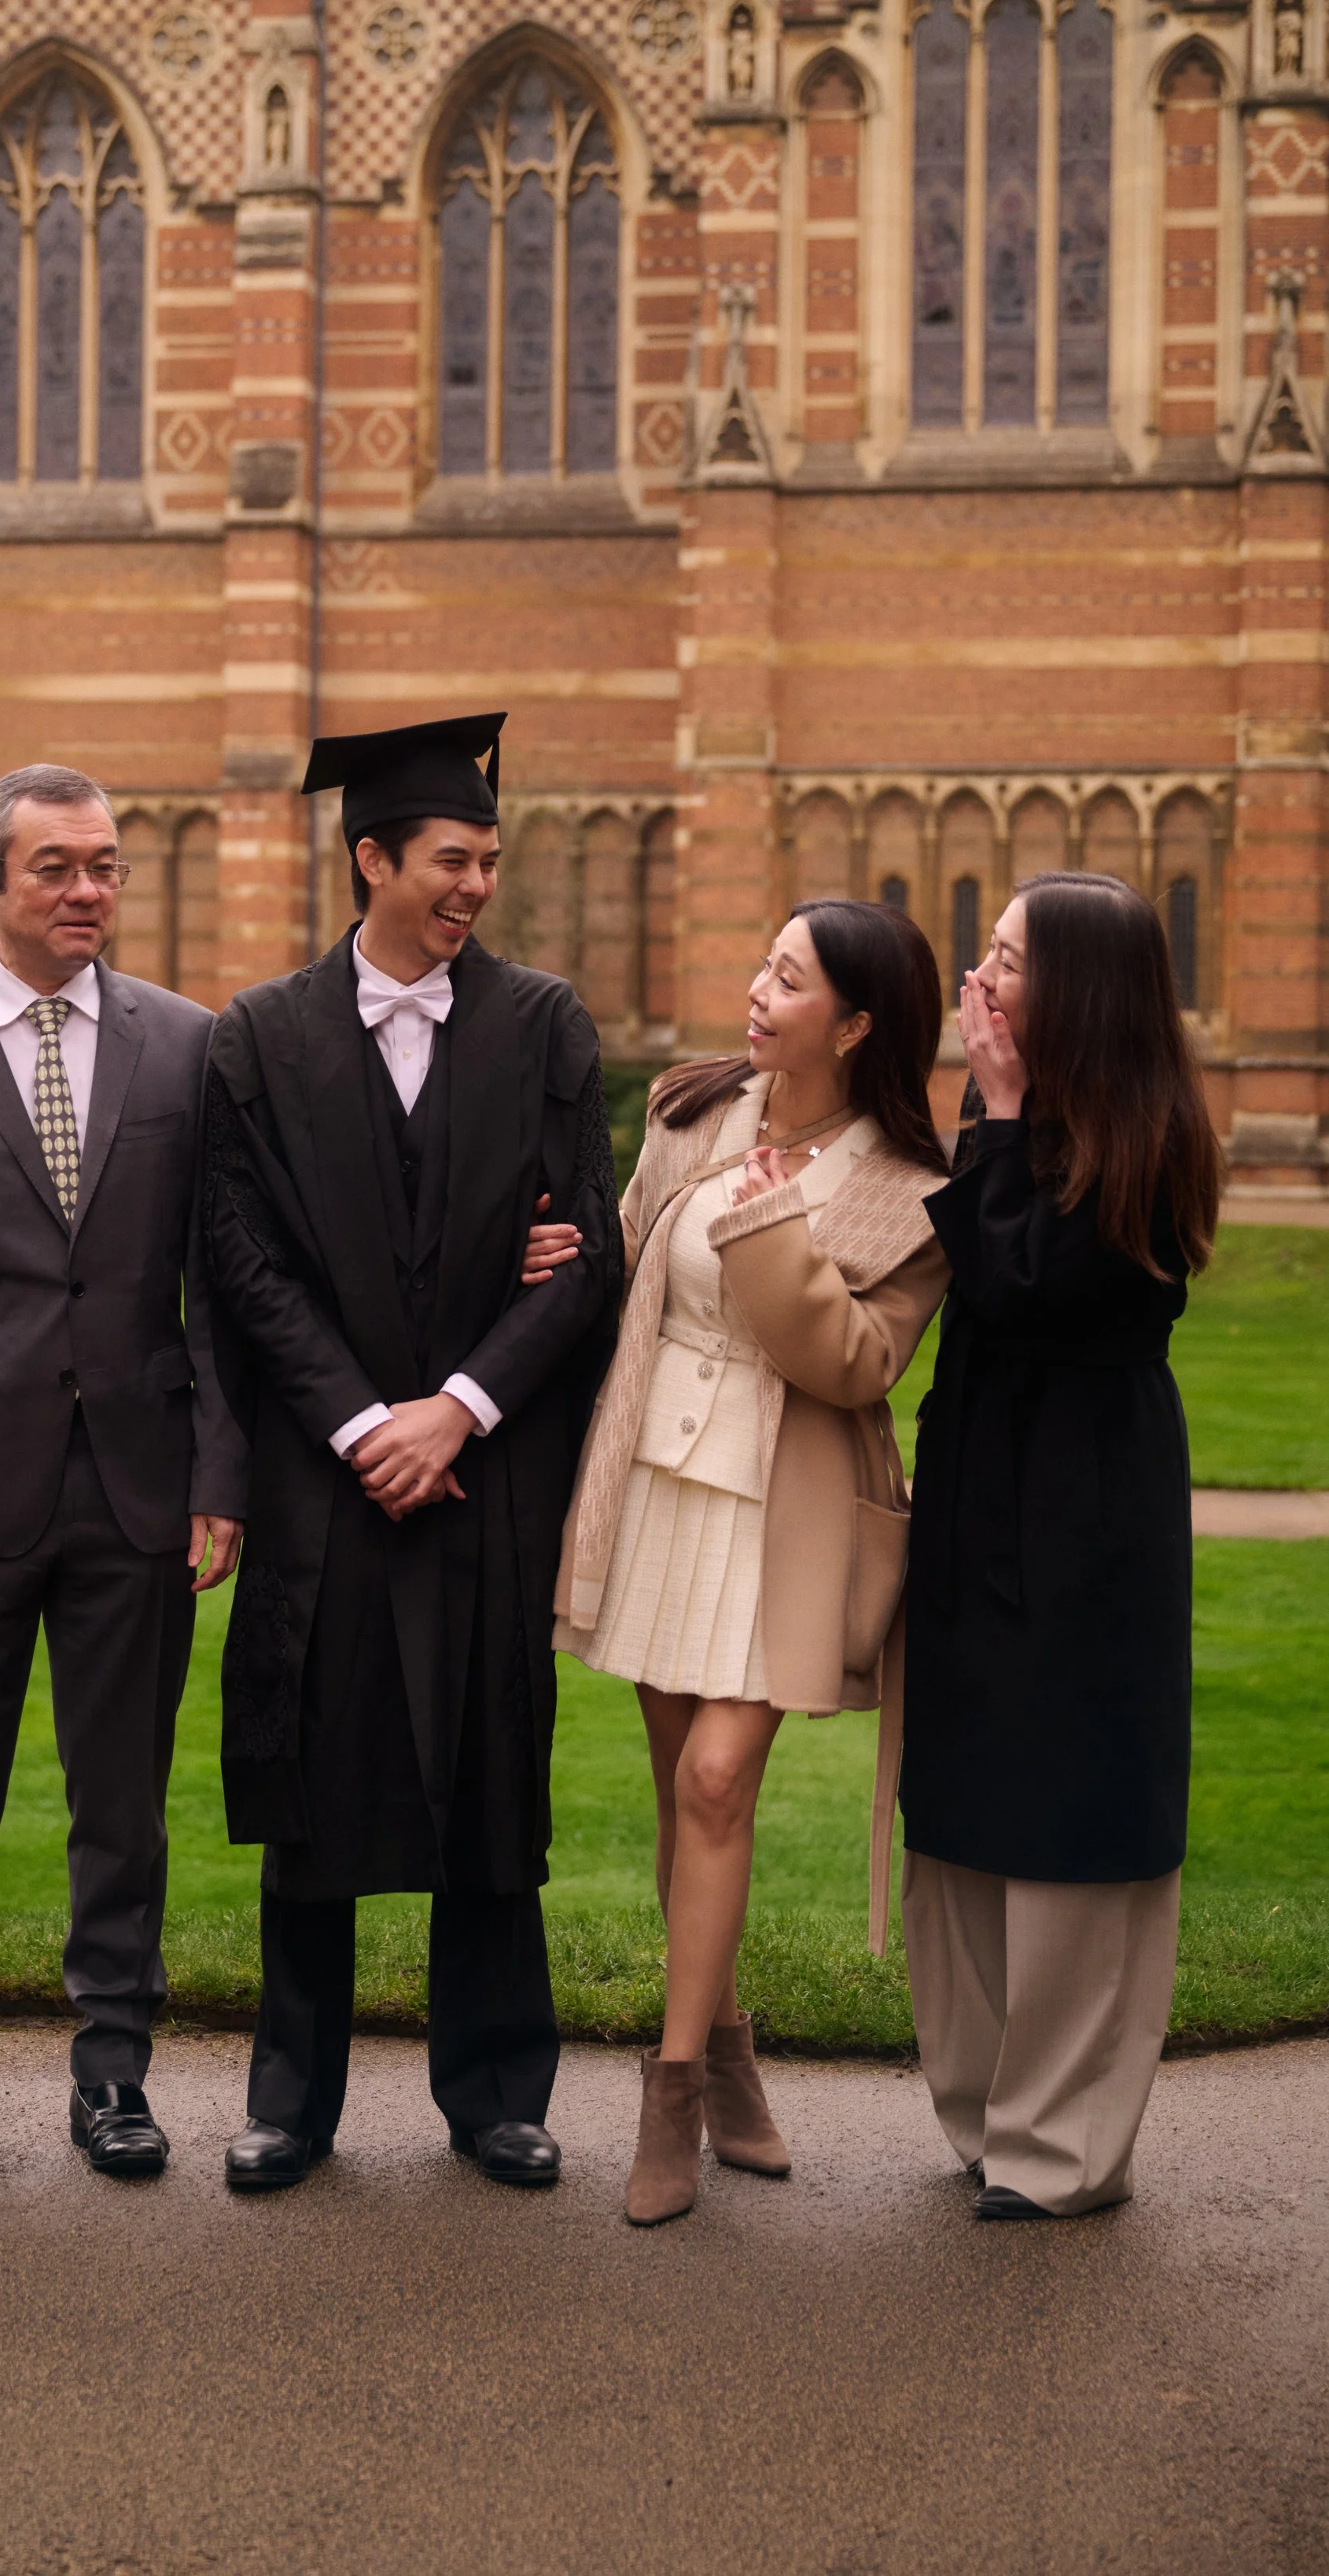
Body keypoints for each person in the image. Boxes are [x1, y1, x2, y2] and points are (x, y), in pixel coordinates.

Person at [203, 713, 623, 2192]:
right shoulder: (259, 1037)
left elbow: (591, 1259)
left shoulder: (545, 1025)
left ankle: (498, 2088)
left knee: (493, 1775)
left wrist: (458, 1405)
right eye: (453, 858)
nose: (475, 888)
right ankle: (291, 2101)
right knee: (315, 1779)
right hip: (332, 1477)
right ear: (371, 857)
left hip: (483, 1473)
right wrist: (365, 1417)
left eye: (491, 862)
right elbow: (240, 1263)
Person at [0, 765, 247, 2187]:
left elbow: (220, 1285)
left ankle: (115, 2074)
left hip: (139, 1493)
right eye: (58, 867)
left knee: (122, 1805)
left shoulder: (189, 1048)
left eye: (107, 867)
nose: (89, 891)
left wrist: (219, 1474)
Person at [552, 901, 949, 2223]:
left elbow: (855, 1363)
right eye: (764, 967)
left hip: (785, 1512)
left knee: (722, 1779)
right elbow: (623, 1272)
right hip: (660, 1484)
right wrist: (560, 1257)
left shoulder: (910, 1185)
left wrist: (774, 1230)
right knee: (682, 1794)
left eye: (790, 979)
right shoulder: (691, 1115)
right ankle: (725, 2052)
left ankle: (668, 2093)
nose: (758, 991)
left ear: (855, 1021)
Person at [900, 872, 1222, 2221]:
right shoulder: (1012, 1111)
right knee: (971, 1795)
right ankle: (984, 2112)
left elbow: (1027, 1282)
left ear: (1077, 987)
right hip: (983, 1484)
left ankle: (1064, 2145)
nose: (981, 976)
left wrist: (1008, 1114)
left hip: (1088, 1514)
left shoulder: (1147, 1134)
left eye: (1009, 956)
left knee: (1076, 1816)